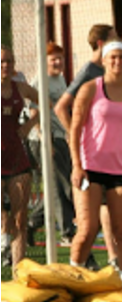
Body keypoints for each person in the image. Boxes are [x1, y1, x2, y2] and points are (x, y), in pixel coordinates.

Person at [68, 42, 122, 289]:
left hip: (121, 169)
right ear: (103, 60)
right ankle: (72, 280)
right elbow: (75, 128)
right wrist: (77, 165)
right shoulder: (90, 89)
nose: (117, 62)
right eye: (112, 57)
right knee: (87, 230)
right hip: (90, 167)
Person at [54, 24, 120, 270]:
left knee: (105, 204)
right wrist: (73, 134)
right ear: (102, 44)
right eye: (113, 41)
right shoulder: (89, 71)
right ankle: (80, 261)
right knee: (87, 214)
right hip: (87, 154)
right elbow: (61, 106)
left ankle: (112, 257)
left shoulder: (107, 71)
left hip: (106, 151)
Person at [25, 41, 77, 242]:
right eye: (53, 59)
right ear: (45, 61)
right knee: (61, 185)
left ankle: (32, 222)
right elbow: (33, 110)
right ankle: (67, 230)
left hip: (60, 137)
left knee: (58, 184)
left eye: (60, 58)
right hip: (44, 140)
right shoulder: (41, 80)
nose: (58, 62)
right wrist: (44, 138)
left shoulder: (60, 79)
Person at [1, 46, 40, 269]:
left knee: (20, 219)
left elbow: (43, 102)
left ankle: (18, 271)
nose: (6, 65)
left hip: (17, 159)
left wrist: (29, 125)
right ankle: (3, 242)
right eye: (2, 62)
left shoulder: (21, 88)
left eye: (10, 61)